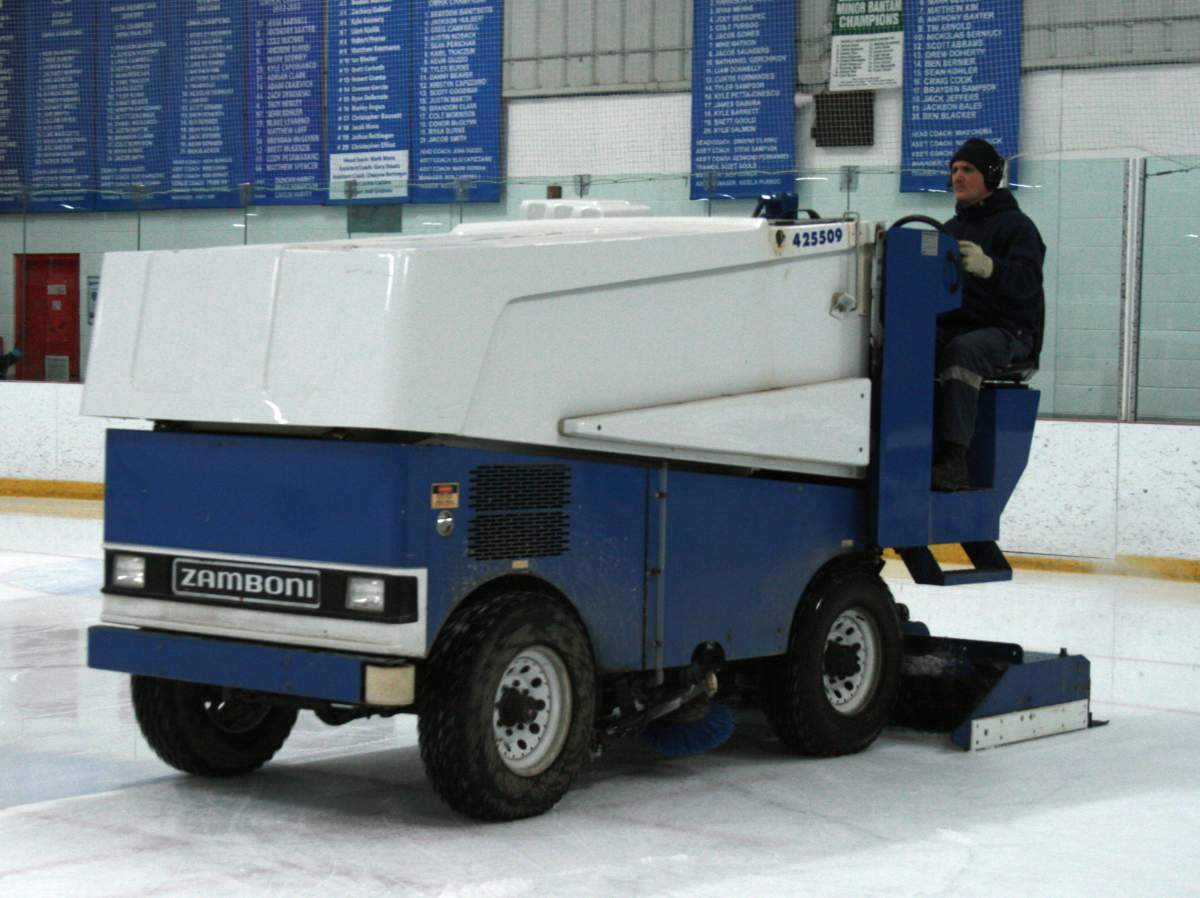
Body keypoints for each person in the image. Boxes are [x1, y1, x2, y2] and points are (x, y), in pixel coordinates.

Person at [932, 137, 1046, 491]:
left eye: (967, 170)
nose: (958, 177)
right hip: (961, 325)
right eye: (954, 170)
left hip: (1009, 332)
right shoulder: (949, 231)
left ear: (990, 177)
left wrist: (991, 267)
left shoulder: (1017, 227)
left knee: (963, 352)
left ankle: (954, 460)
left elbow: (1028, 281)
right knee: (907, 347)